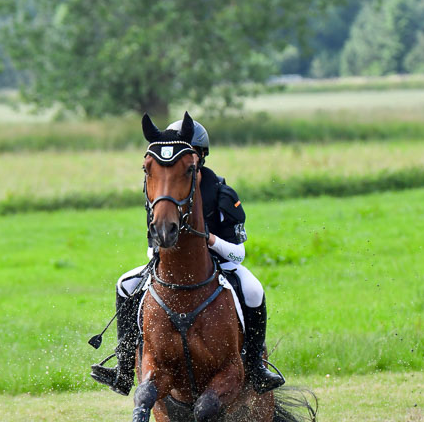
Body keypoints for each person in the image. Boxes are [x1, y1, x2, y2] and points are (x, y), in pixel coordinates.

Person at [92, 118, 284, 396]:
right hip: (170, 267)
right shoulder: (163, 191)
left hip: (221, 266)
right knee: (125, 284)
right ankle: (123, 368)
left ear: (200, 156)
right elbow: (152, 245)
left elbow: (239, 253)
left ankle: (255, 366)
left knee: (254, 290)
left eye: (188, 154)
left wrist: (210, 241)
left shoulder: (221, 194)